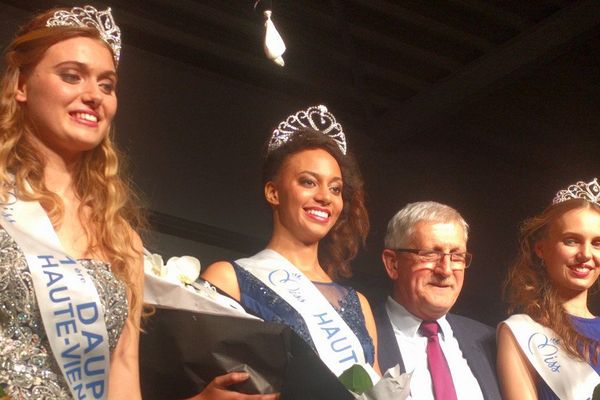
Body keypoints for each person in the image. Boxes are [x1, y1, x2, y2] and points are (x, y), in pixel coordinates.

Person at [0, 6, 144, 399]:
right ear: (22, 85)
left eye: (107, 85)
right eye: (71, 76)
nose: (93, 96)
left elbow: (123, 373)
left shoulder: (122, 239)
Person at [202, 105, 379, 382]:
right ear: (273, 192)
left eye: (335, 188)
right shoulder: (228, 280)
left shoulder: (359, 305)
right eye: (309, 182)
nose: (325, 197)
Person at [374, 201, 501, 400]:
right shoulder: (358, 336)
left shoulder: (491, 342)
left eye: (457, 256)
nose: (446, 270)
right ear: (393, 264)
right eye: (430, 254)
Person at [497, 178, 600, 400]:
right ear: (542, 249)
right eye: (571, 241)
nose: (586, 255)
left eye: (597, 243)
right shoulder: (522, 332)